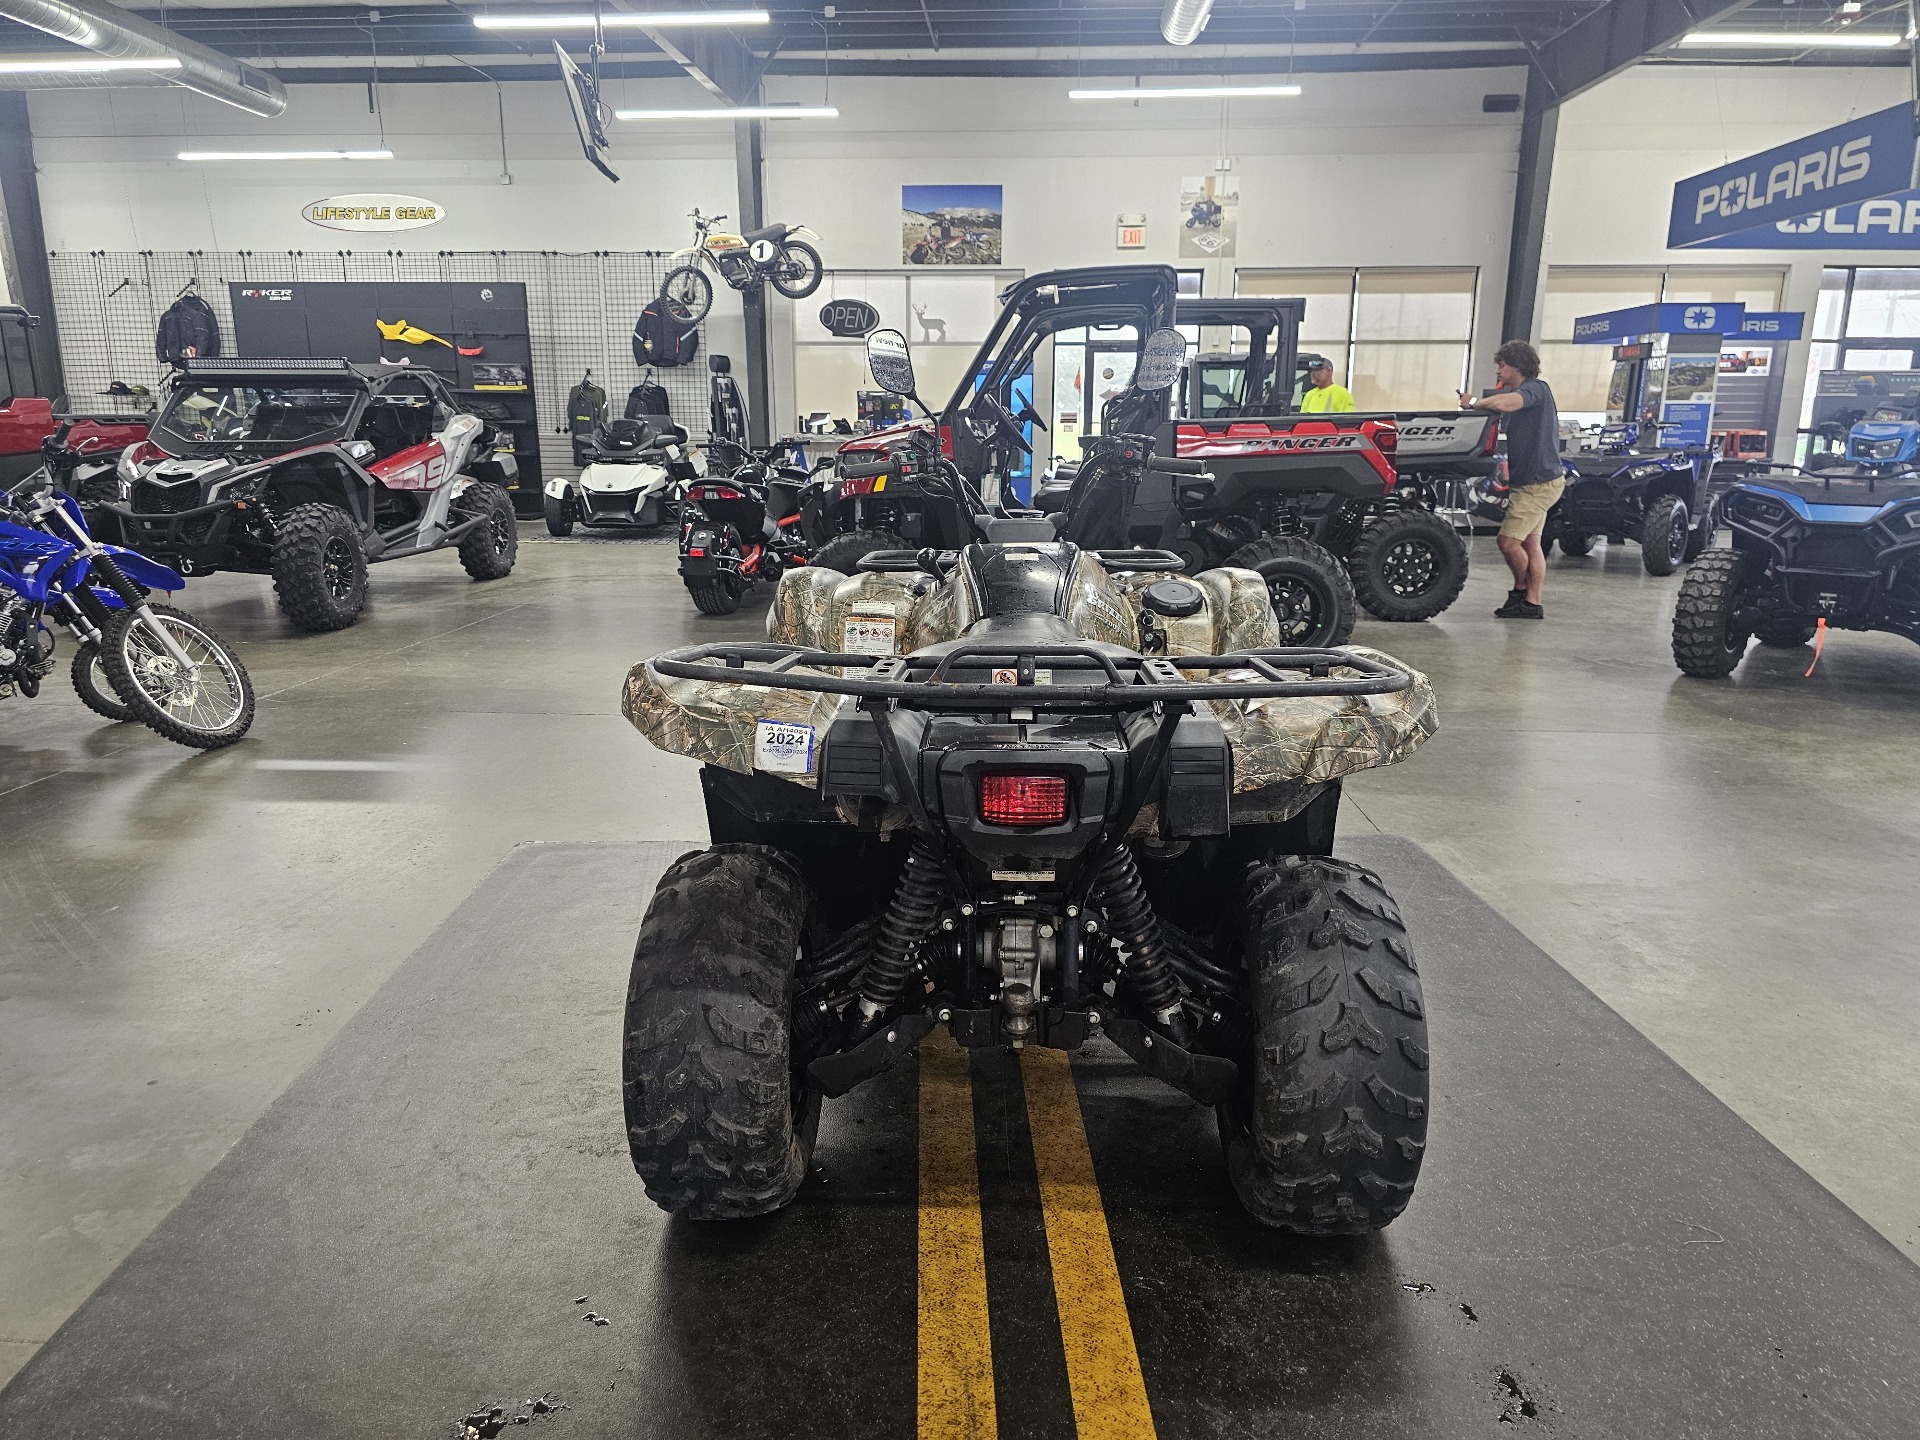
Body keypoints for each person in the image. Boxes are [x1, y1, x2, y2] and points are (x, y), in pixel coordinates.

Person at [1461, 340, 1562, 620]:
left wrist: (1473, 403)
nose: (1499, 371)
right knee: (1531, 544)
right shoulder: (1526, 392)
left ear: (1516, 366)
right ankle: (1532, 603)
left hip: (1537, 484)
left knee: (1507, 542)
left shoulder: (1534, 389)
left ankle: (1520, 591)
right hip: (1532, 482)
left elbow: (1507, 402)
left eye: (1502, 366)